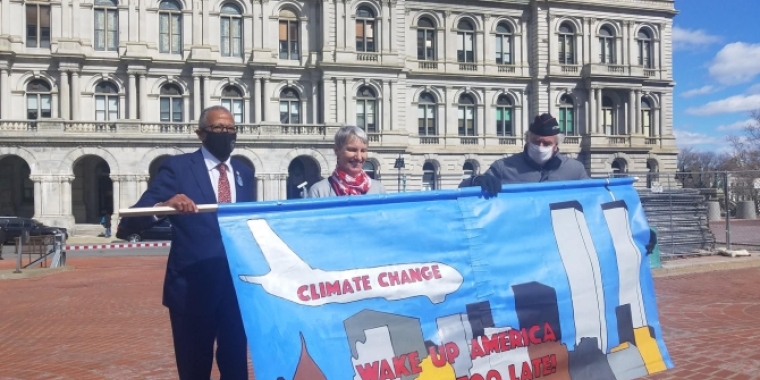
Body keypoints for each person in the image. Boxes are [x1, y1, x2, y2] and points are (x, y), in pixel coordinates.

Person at [119, 106, 254, 380]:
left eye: (231, 129)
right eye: (218, 129)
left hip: (236, 291)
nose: (226, 134)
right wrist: (164, 206)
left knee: (236, 367)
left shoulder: (243, 172)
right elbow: (130, 223)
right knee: (194, 368)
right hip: (193, 291)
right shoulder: (178, 168)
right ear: (201, 134)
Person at [460, 113, 589, 195]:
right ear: (527, 141)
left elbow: (595, 194)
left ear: (556, 146)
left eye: (547, 143)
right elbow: (461, 191)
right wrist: (476, 180)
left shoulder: (575, 170)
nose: (540, 147)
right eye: (536, 142)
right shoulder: (503, 167)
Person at [308, 125, 386, 197]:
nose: (359, 157)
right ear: (336, 150)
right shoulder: (319, 192)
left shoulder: (378, 189)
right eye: (352, 150)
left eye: (363, 150)